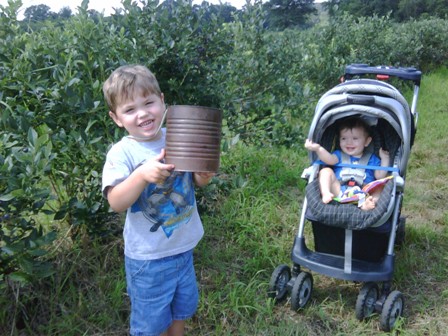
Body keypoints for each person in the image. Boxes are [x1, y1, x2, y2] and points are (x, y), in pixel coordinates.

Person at [102, 64, 214, 336]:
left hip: (183, 249)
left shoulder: (177, 137)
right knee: (152, 324)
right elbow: (116, 201)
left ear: (162, 102)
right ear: (116, 118)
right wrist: (141, 175)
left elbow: (194, 182)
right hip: (148, 260)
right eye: (129, 109)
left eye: (148, 103)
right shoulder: (122, 153)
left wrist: (204, 176)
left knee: (181, 310)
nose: (142, 114)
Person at [305, 117, 390, 210]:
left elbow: (380, 176)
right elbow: (328, 159)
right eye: (344, 138)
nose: (349, 142)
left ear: (367, 141)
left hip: (363, 193)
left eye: (355, 138)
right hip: (339, 191)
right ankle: (326, 193)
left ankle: (368, 203)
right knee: (325, 171)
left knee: (381, 186)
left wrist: (385, 159)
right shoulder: (338, 155)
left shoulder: (372, 159)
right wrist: (318, 149)